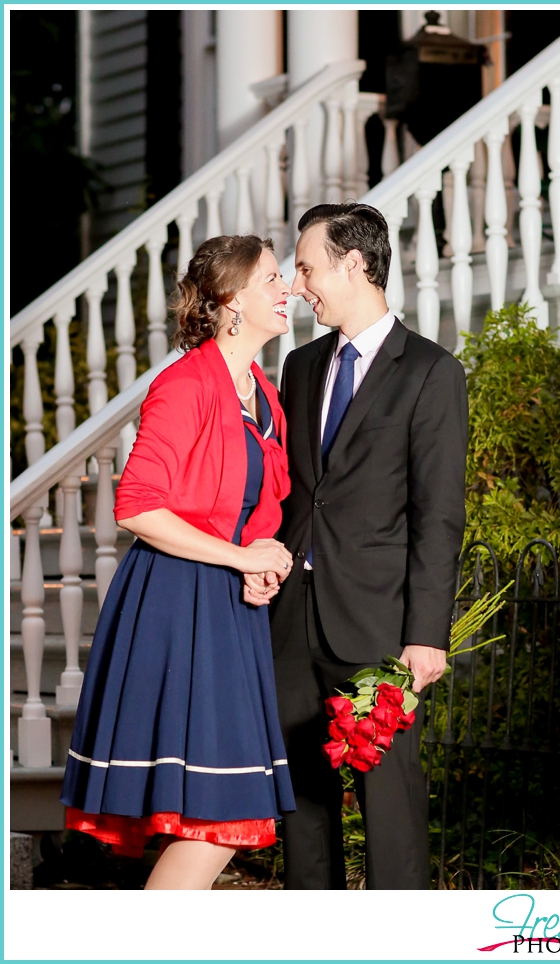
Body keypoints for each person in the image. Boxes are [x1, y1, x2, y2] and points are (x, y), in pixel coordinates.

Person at [60, 235, 297, 889]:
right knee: (225, 815)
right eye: (273, 279)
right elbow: (137, 507)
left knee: (227, 813)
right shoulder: (184, 384)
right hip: (176, 600)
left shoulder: (263, 394)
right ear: (231, 300)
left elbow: (249, 509)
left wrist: (257, 562)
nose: (289, 290)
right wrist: (237, 555)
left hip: (228, 607)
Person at [248, 202, 468, 889]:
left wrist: (426, 635)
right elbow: (292, 491)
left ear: (354, 263)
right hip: (293, 617)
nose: (298, 283)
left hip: (379, 626)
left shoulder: (431, 372)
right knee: (303, 804)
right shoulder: (301, 365)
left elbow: (438, 516)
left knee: (390, 802)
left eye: (308, 267)